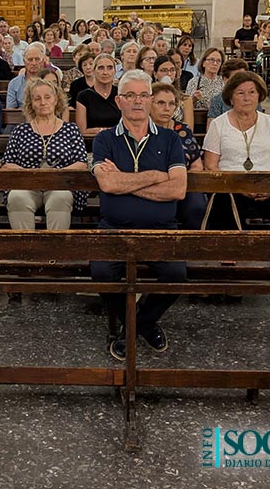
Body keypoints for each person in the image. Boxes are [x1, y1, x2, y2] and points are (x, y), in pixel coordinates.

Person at [91, 70, 189, 361]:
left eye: (144, 95)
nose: (137, 101)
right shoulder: (104, 139)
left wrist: (125, 181)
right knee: (101, 273)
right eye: (130, 95)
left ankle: (133, 328)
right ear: (119, 101)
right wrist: (156, 176)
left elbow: (178, 189)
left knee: (176, 275)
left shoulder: (170, 139)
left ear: (150, 99)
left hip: (161, 227)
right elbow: (108, 185)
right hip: (114, 227)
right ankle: (144, 325)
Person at [202, 71, 270, 230]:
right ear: (231, 98)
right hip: (230, 188)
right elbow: (211, 166)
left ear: (259, 96)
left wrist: (269, 186)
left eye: (252, 92)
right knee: (224, 211)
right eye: (240, 93)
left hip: (267, 187)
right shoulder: (218, 124)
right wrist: (238, 186)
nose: (247, 98)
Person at [2, 78, 88, 230]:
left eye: (47, 97)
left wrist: (56, 175)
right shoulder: (21, 131)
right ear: (31, 103)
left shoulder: (71, 130)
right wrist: (31, 174)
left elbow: (81, 163)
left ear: (56, 100)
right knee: (16, 197)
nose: (43, 102)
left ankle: (55, 245)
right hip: (27, 184)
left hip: (60, 184)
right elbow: (7, 164)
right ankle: (25, 244)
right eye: (37, 99)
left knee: (60, 198)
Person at [150, 81, 206, 229]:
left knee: (197, 206)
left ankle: (190, 241)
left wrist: (181, 181)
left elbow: (196, 164)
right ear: (149, 103)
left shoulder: (183, 130)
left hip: (184, 184)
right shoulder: (142, 130)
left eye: (171, 104)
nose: (167, 108)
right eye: (161, 103)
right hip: (151, 184)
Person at [76, 53, 119, 135]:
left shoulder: (121, 94)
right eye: (101, 68)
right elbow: (82, 131)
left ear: (115, 71)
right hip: (91, 140)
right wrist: (103, 130)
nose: (105, 72)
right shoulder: (84, 96)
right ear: (94, 71)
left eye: (110, 68)